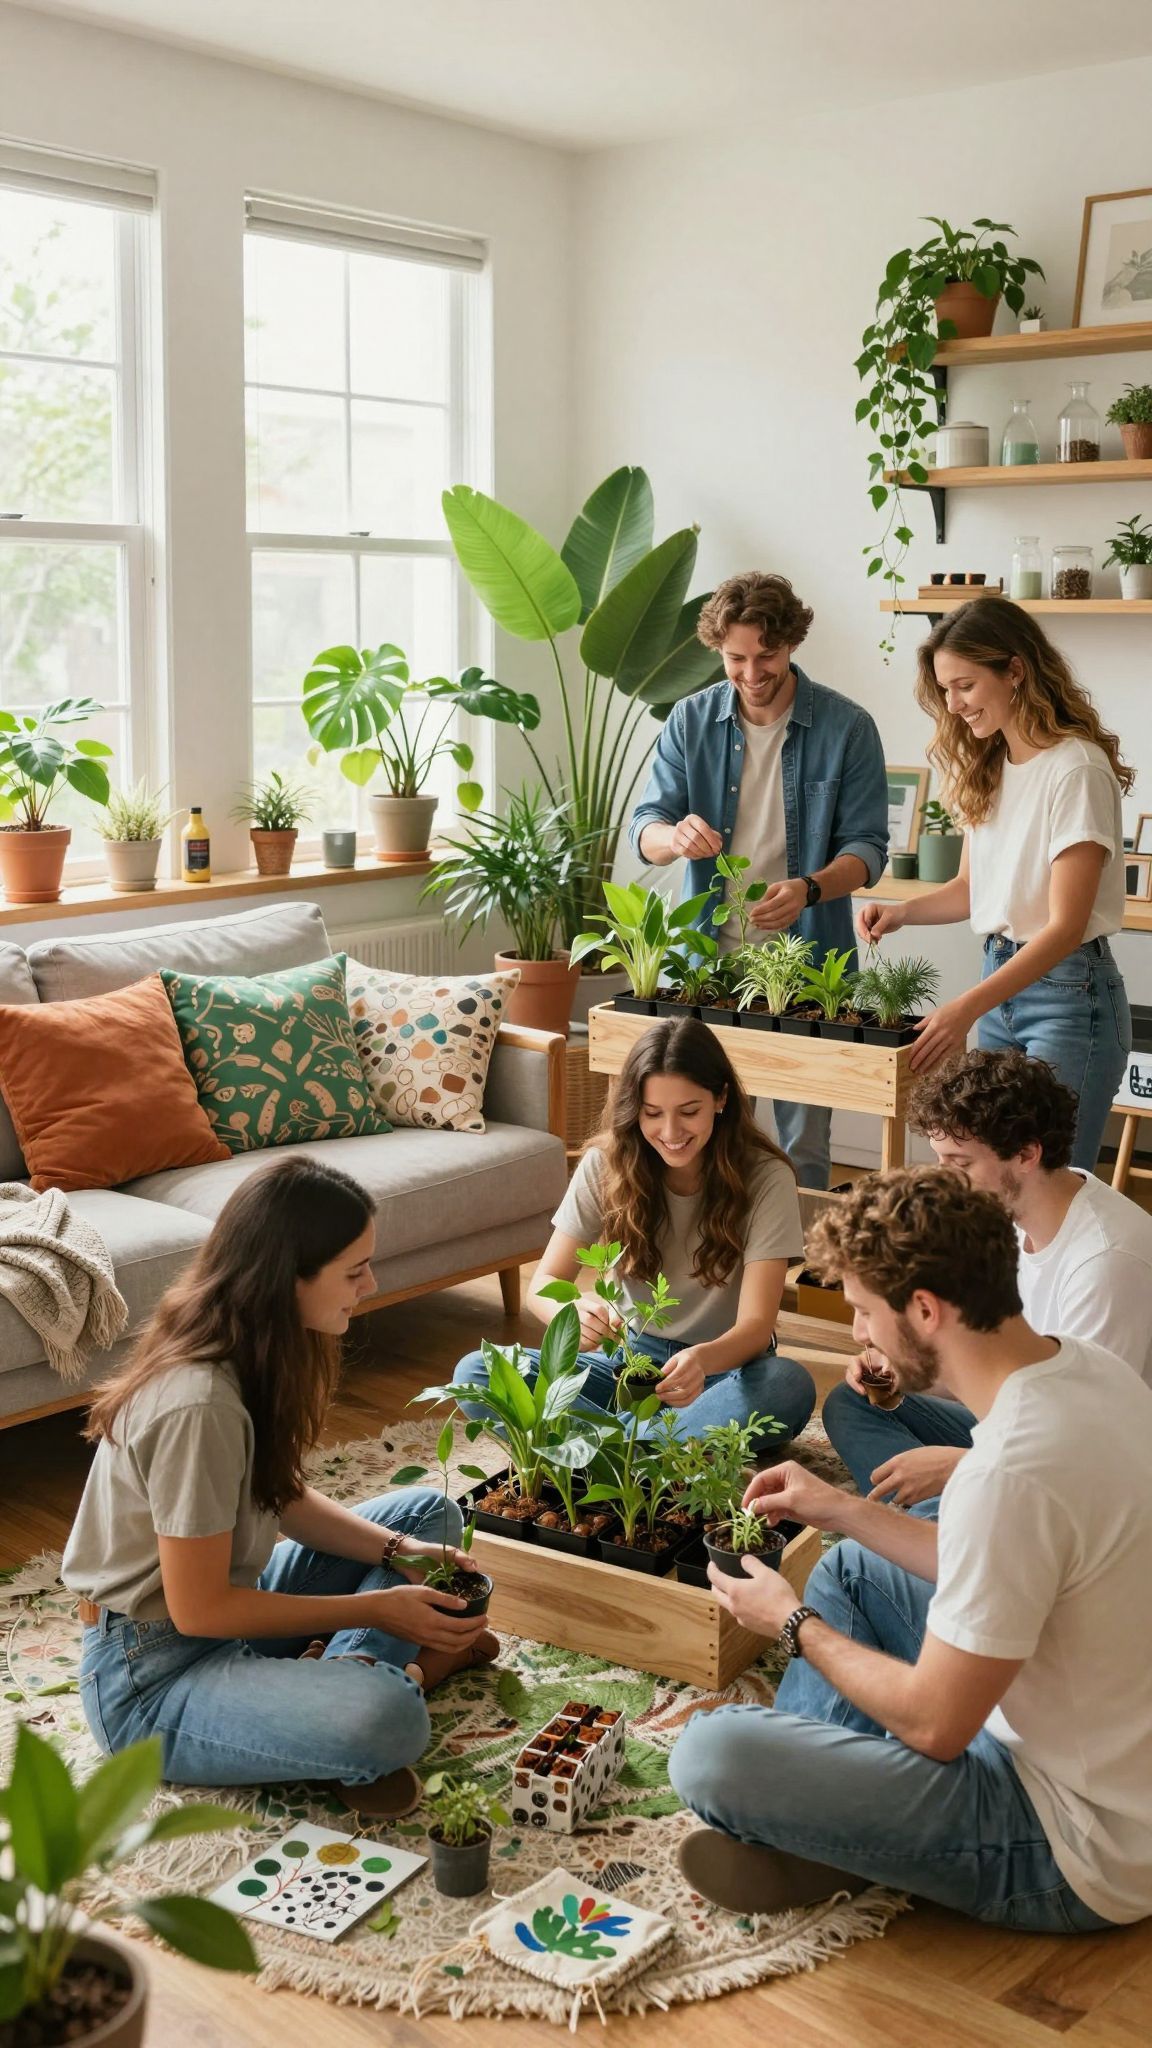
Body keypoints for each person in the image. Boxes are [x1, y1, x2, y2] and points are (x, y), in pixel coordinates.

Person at [669, 1166, 1152, 1930]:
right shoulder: (1091, 1372)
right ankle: (838, 1822)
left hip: (1073, 1841)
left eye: (863, 1311)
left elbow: (936, 1725)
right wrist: (839, 1507)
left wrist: (793, 1622)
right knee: (855, 1565)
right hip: (1104, 1751)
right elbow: (1000, 1561)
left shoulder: (1013, 1470)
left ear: (925, 1309)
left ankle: (831, 1833)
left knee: (709, 1755)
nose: (858, 1333)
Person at [64, 1156, 497, 1818]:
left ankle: (346, 1673)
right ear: (287, 1278)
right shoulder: (198, 1403)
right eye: (353, 1271)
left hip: (233, 1609)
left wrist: (396, 1555)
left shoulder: (254, 1348)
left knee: (426, 1514)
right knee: (388, 1723)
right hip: (150, 1677)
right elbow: (199, 1611)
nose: (371, 1283)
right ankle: (393, 1677)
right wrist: (375, 1612)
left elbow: (283, 1501)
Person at [629, 571, 888, 1188]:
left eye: (765, 656)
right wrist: (675, 837)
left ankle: (800, 1274)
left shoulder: (847, 728)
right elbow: (646, 826)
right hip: (706, 968)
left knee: (802, 1143)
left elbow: (867, 848)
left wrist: (811, 888)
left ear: (792, 643)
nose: (751, 673)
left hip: (810, 961)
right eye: (734, 658)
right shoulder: (689, 722)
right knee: (703, 1137)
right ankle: (717, 1272)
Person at [857, 598, 1132, 1170]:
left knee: (1049, 1185)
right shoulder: (993, 765)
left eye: (965, 686)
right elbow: (970, 890)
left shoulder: (1075, 768)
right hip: (1002, 986)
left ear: (1015, 671)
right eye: (945, 691)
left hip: (1068, 997)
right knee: (994, 1185)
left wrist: (963, 1009)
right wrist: (900, 912)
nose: (954, 706)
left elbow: (1064, 928)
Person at [452, 1018, 815, 1445]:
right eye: (652, 1113)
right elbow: (545, 1284)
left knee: (787, 1384)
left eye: (689, 1112)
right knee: (477, 1372)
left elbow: (756, 1326)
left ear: (721, 1098)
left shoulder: (766, 1177)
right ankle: (658, 1450)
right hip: (625, 1364)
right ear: (633, 1108)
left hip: (721, 1370)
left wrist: (703, 1359)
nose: (671, 1133)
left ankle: (611, 1449)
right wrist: (570, 1315)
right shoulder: (606, 1164)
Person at [823, 1049, 1152, 1503]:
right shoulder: (1008, 1218)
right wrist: (905, 1367)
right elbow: (990, 1365)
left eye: (961, 1164)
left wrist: (960, 1464)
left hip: (1084, 1472)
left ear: (1026, 1154)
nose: (946, 1180)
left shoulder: (1106, 1261)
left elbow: (1088, 1440)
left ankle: (937, 1531)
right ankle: (935, 1528)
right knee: (854, 1401)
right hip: (1023, 1422)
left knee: (888, 1535)